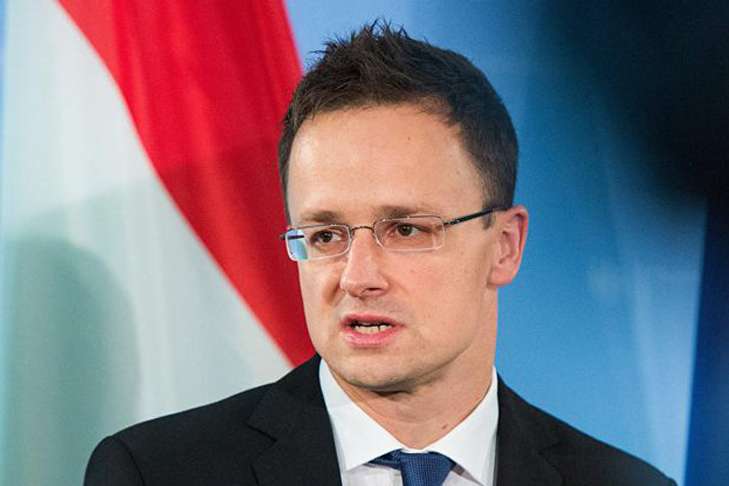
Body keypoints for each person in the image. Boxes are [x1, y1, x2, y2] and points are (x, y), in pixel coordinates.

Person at [85, 23, 677, 486]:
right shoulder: (155, 474)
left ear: (504, 246)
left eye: (407, 230)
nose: (357, 276)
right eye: (325, 236)